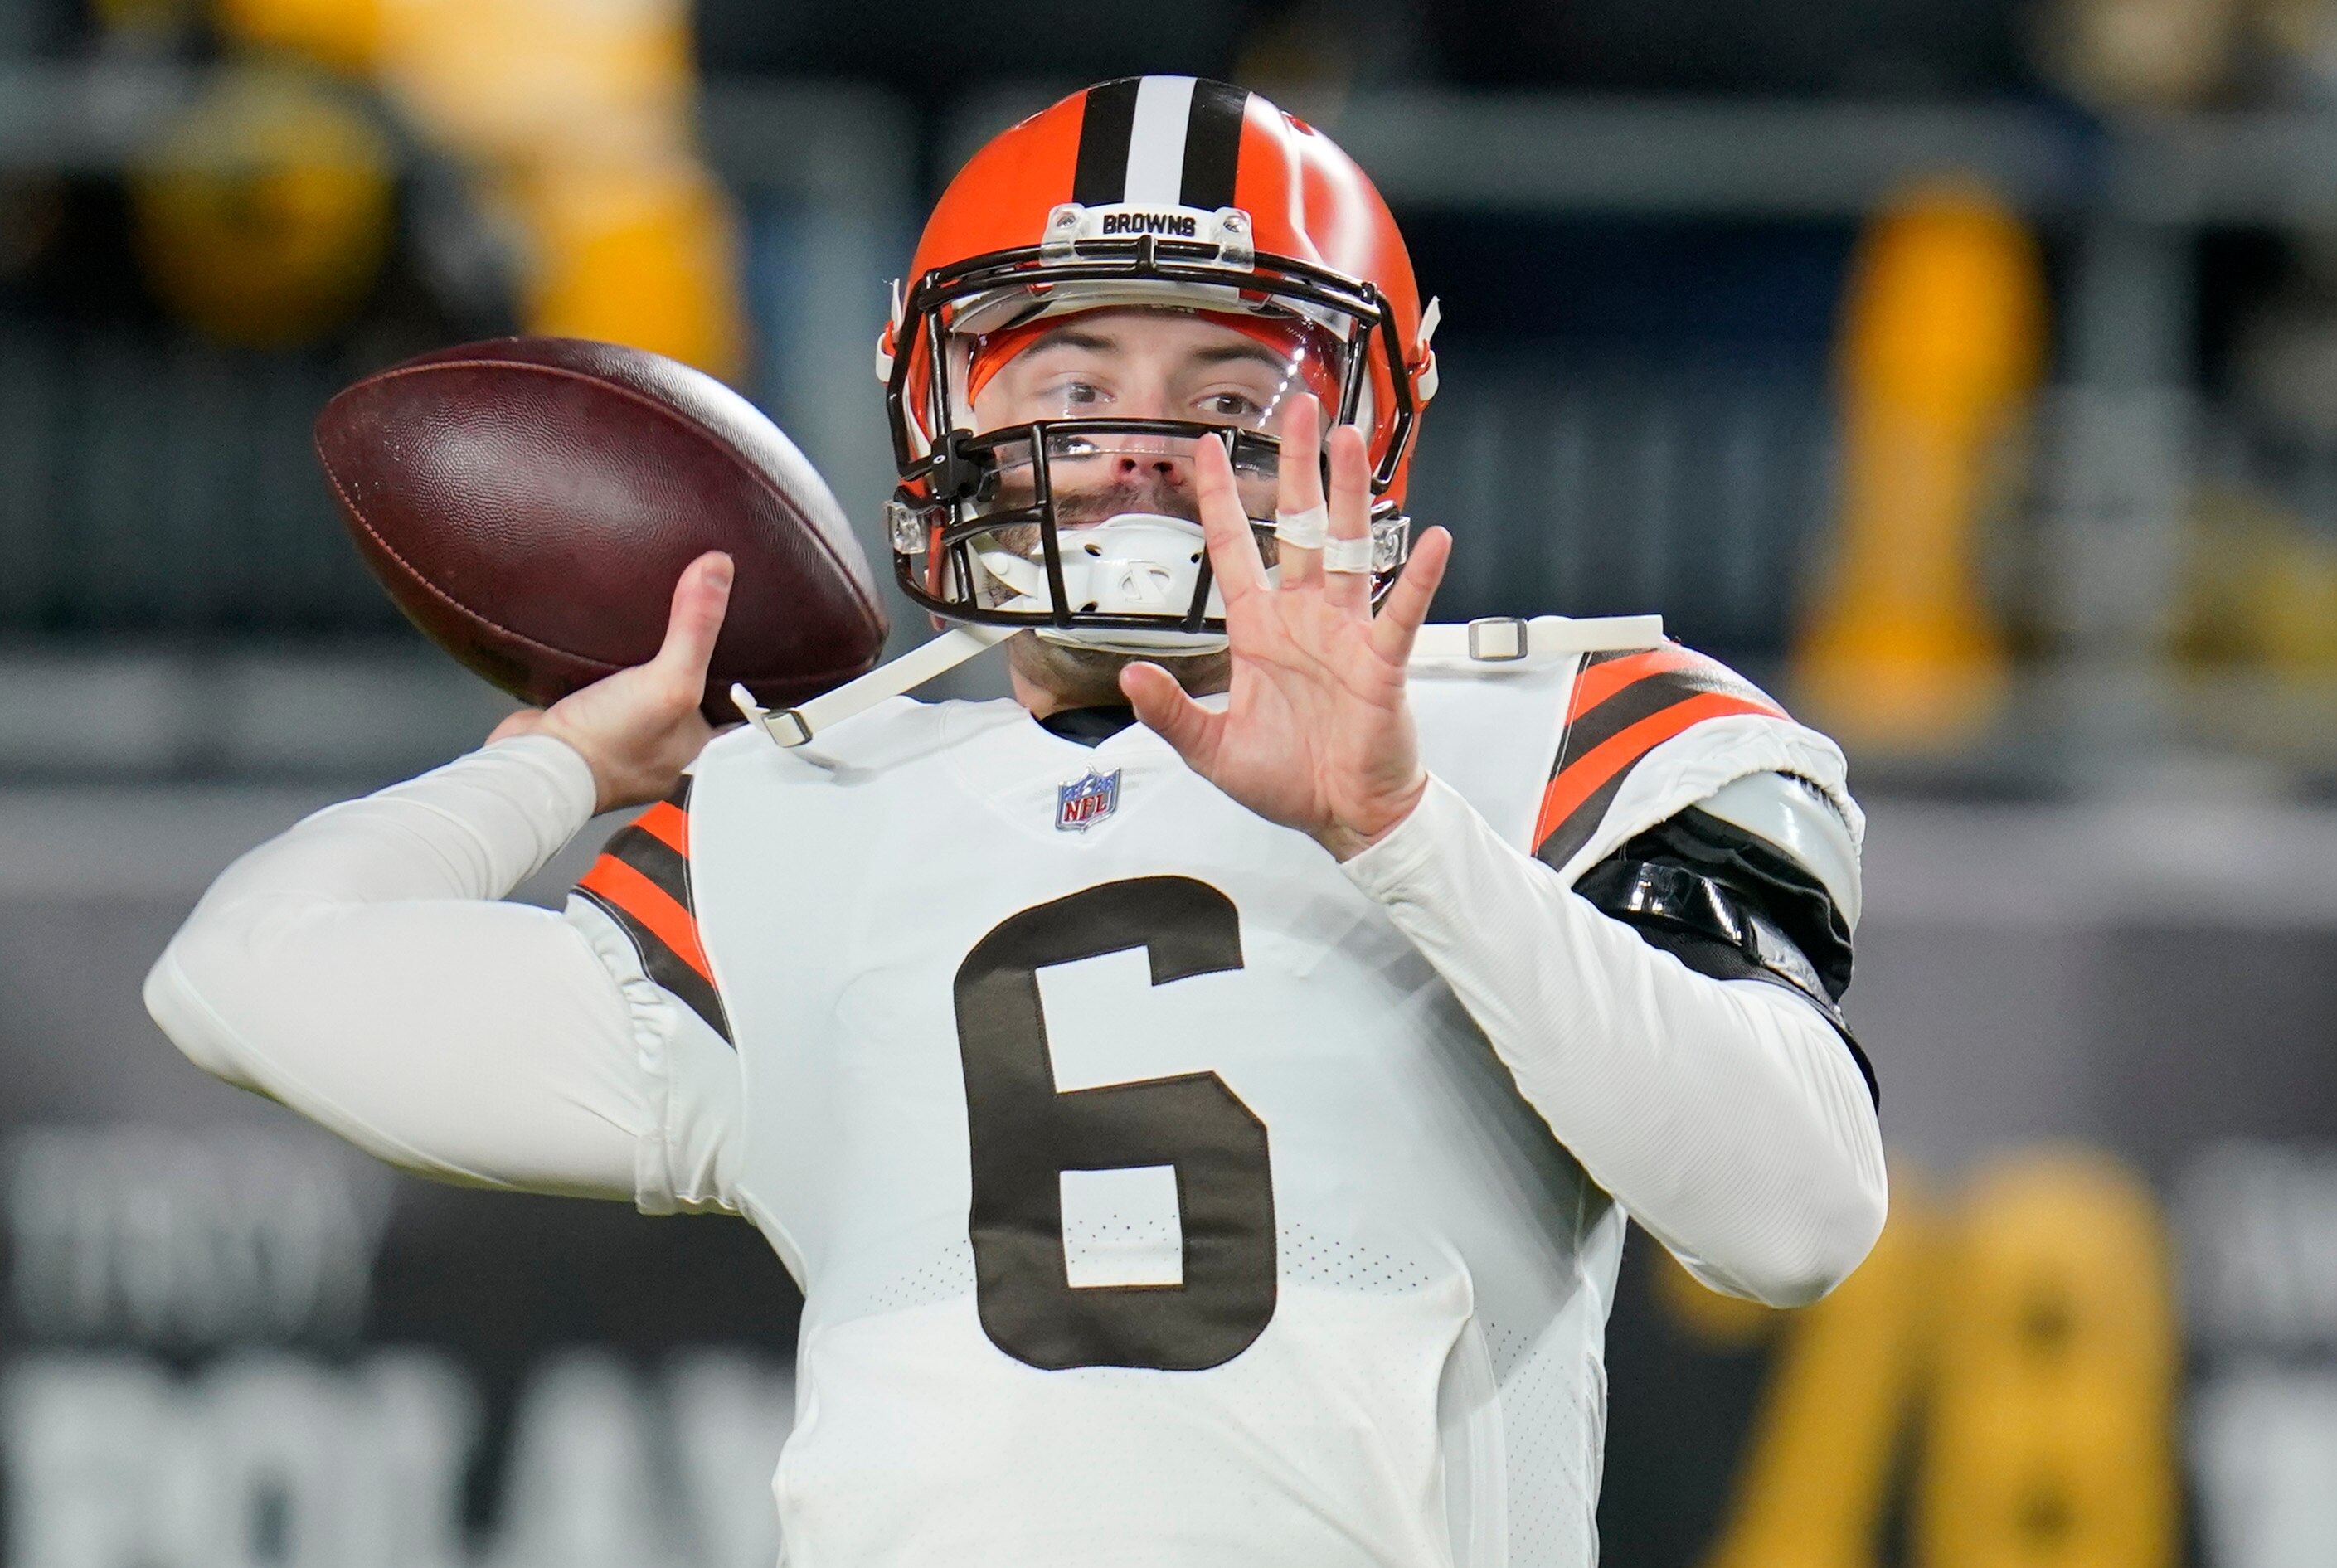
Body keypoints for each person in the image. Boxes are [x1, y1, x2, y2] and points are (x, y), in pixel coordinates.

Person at [147, 76, 1884, 1567]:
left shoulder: (1551, 736)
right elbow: (239, 976)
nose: (1139, 448)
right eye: (1070, 383)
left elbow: (1793, 1213)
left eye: (1224, 398)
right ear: (942, 403)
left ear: (1375, 427)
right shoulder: (803, 819)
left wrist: (1400, 832)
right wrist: (559, 761)